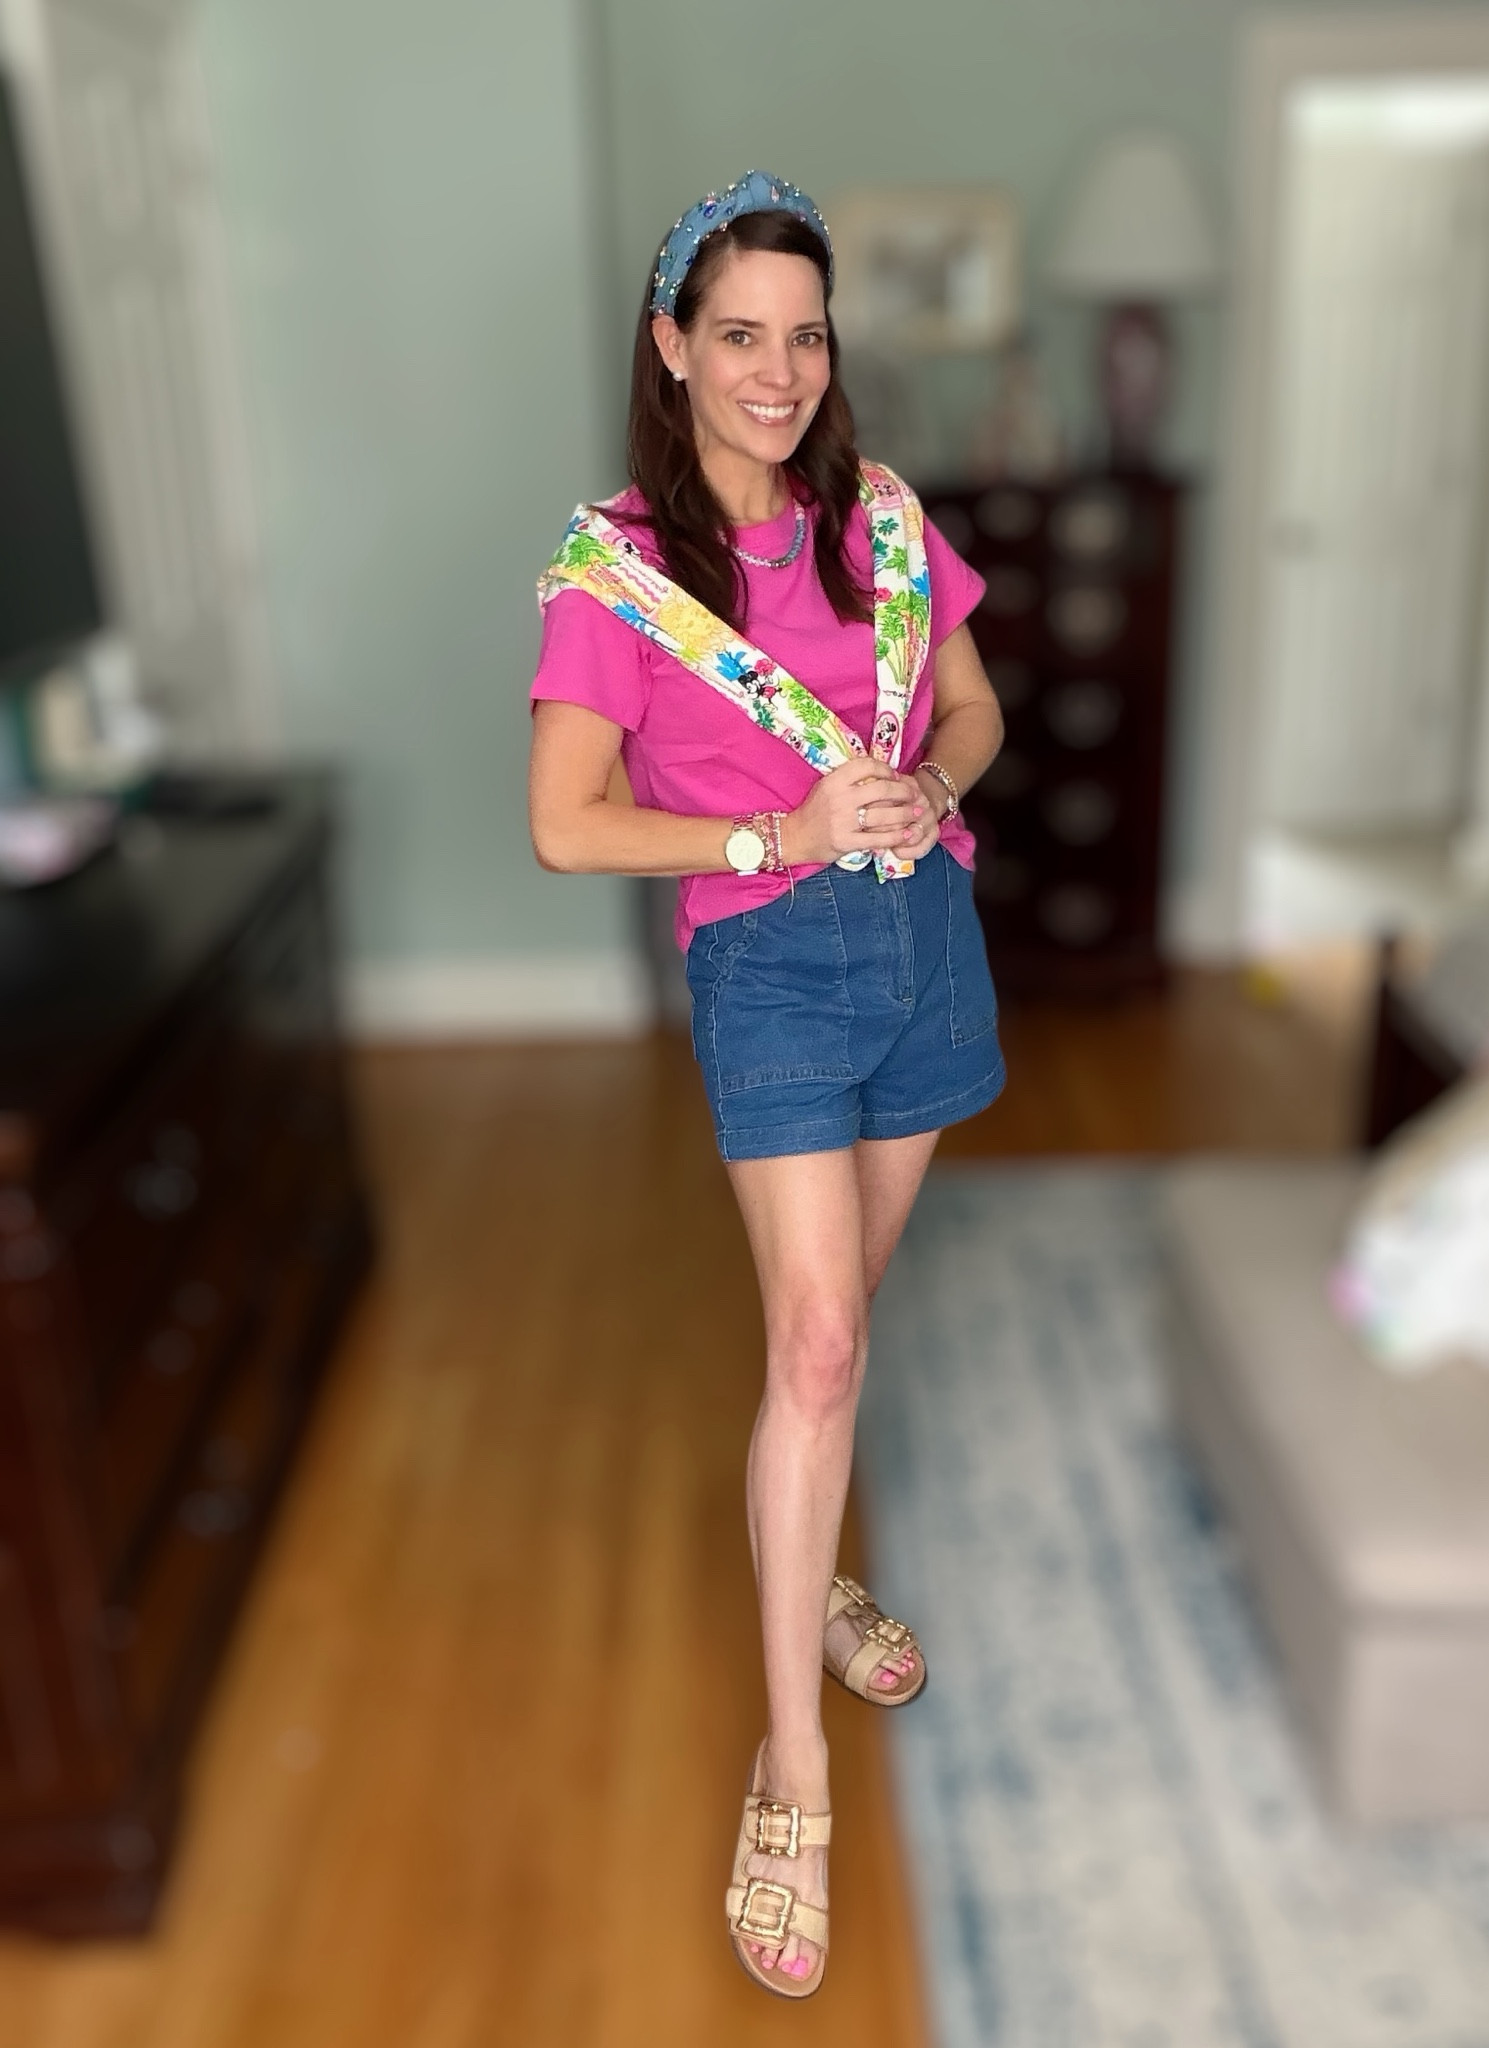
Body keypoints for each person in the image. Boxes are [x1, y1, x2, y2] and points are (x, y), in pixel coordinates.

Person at [526, 170, 1005, 2000]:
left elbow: (965, 709)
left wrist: (933, 787)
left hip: (924, 959)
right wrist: (783, 822)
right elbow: (566, 831)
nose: (779, 369)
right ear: (671, 345)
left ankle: (808, 1578)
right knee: (813, 1348)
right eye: (739, 333)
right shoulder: (612, 568)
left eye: (804, 335)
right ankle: (788, 1772)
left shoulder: (880, 521)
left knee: (840, 1329)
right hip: (771, 968)